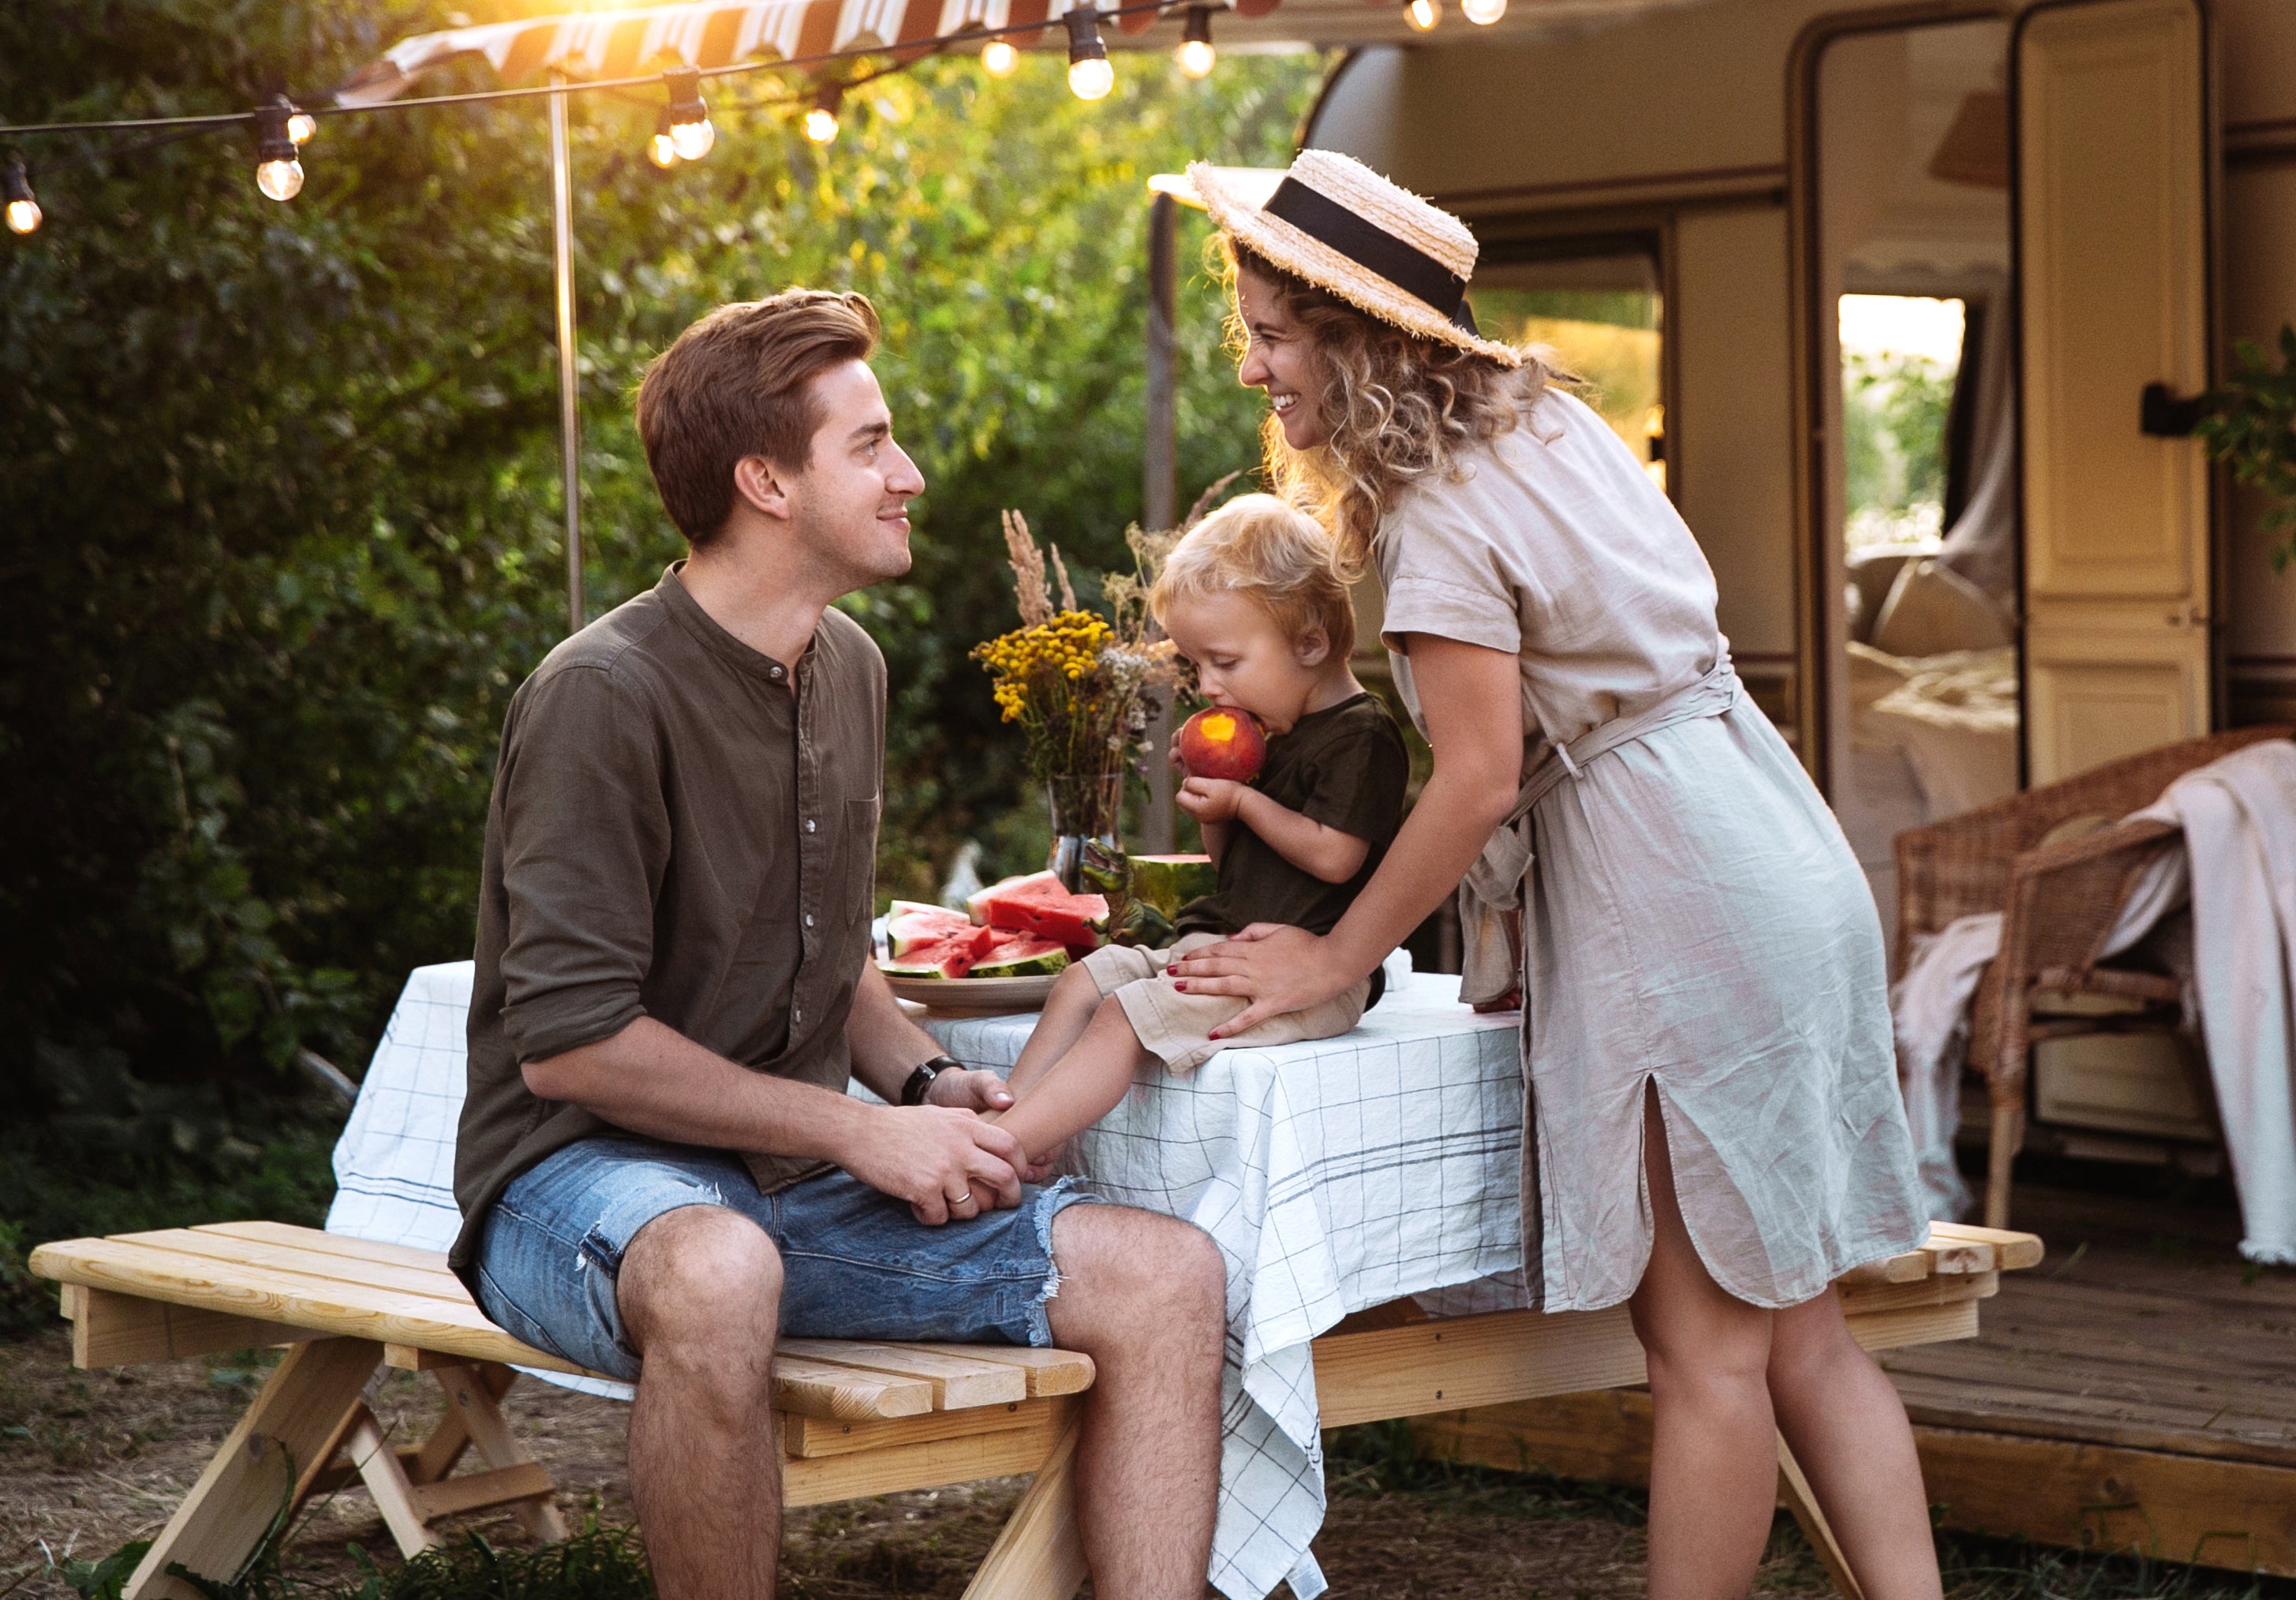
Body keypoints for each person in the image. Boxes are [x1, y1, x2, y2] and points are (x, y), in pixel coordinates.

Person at [1157, 153, 1943, 1600]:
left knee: (1705, 1351)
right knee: (1804, 1330)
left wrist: (1336, 959)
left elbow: (1472, 774)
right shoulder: (1541, 420)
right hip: (1768, 828)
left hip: (1676, 881)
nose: (1252, 364)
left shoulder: (1437, 510)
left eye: (1271, 331)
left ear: (1352, 333)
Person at [451, 288, 1221, 1600]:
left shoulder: (846, 664)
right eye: (868, 445)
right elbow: (573, 1049)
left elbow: (827, 957)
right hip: (573, 1185)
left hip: (783, 1183)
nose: (907, 474)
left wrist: (922, 1083)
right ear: (763, 479)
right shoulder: (599, 696)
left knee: (1165, 1274)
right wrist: (861, 1132)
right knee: (714, 1268)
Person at [1001, 493, 1409, 1161]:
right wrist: (1215, 805)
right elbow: (1232, 869)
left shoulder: (1361, 735)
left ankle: (1002, 1151)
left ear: (1310, 641)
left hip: (1309, 975)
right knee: (1084, 980)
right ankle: (1008, 1115)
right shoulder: (1268, 734)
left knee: (1123, 1015)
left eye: (1225, 662)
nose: (1207, 686)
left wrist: (1245, 803)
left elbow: (1336, 858)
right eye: (1196, 666)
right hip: (1223, 948)